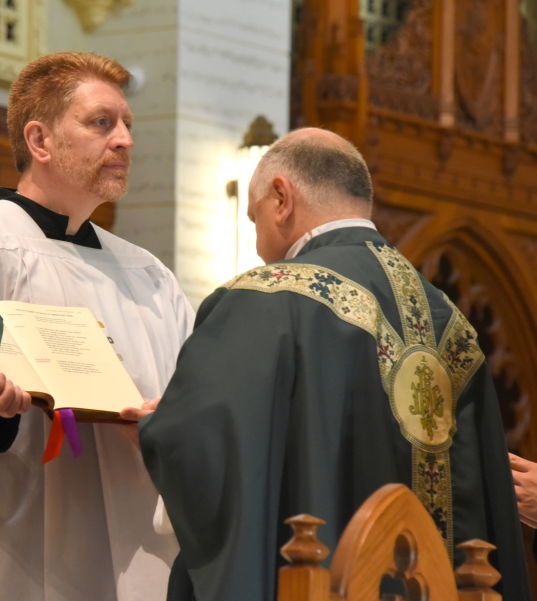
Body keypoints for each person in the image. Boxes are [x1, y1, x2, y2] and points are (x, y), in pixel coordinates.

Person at [134, 128, 531, 600]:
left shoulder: (265, 300)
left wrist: (162, 423)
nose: (259, 244)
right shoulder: (452, 323)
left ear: (281, 197)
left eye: (254, 218)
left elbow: (203, 456)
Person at [0, 51, 194, 601]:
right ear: (40, 141)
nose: (123, 139)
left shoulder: (149, 277)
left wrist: (168, 423)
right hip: (15, 550)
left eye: (126, 124)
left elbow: (194, 400)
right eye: (101, 123)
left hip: (135, 555)